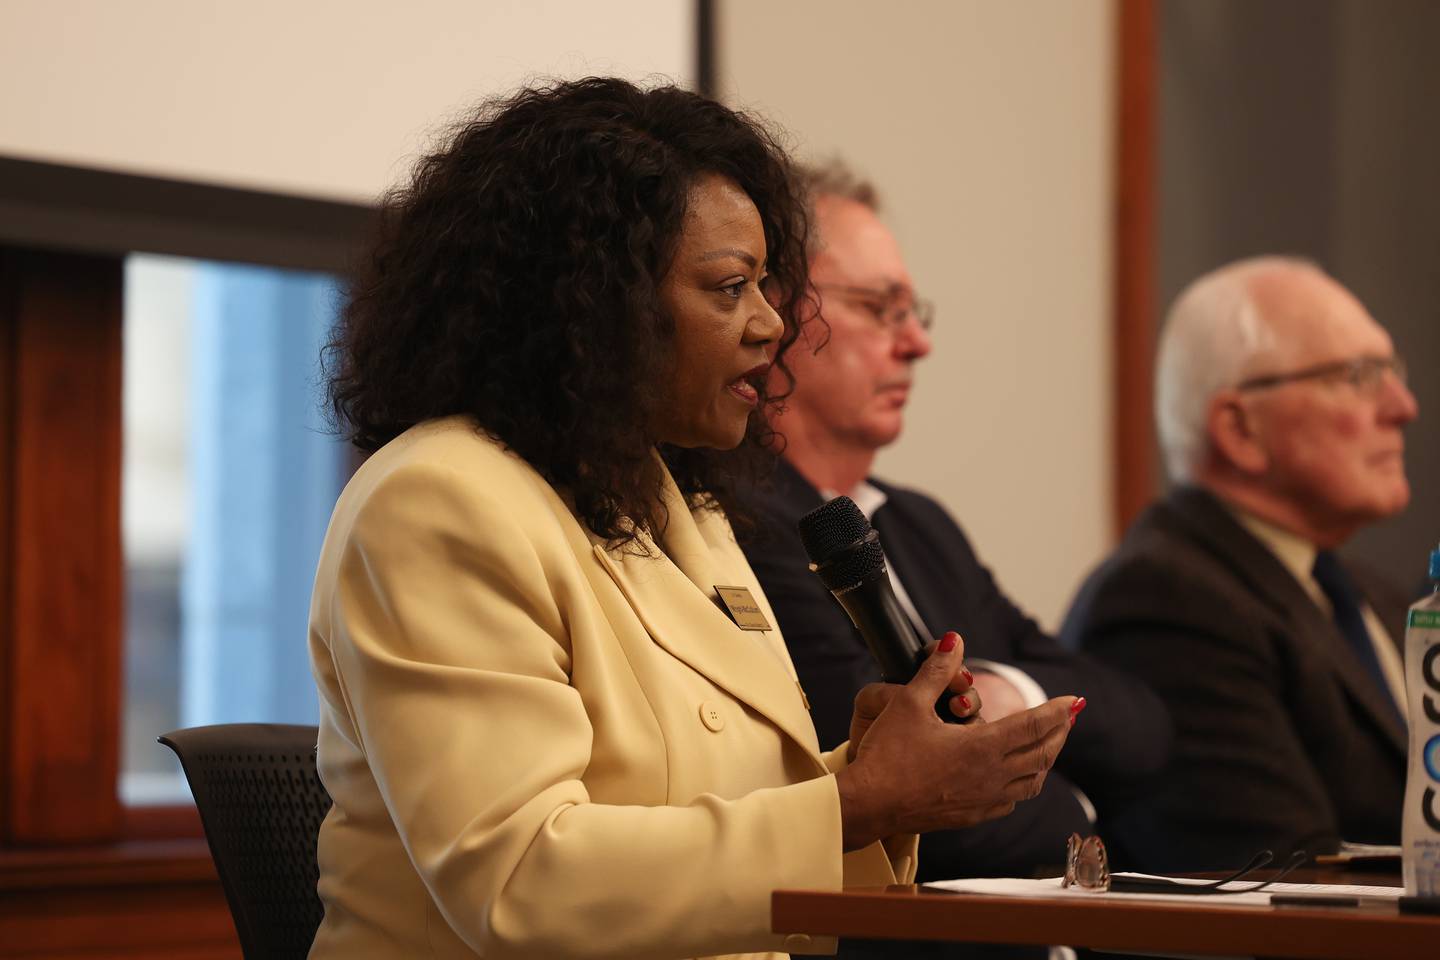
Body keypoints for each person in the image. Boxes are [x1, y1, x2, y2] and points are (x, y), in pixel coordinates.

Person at [306, 78, 1079, 960]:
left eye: (766, 285)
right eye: (729, 288)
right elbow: (521, 883)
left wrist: (866, 776)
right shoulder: (436, 502)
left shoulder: (680, 503)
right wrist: (864, 802)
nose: (771, 324)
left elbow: (699, 815)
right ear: (593, 303)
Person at [738, 163, 1172, 888]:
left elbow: (1141, 728)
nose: (917, 344)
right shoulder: (746, 525)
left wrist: (1006, 696)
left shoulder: (920, 525)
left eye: (914, 313)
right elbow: (910, 801)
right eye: (880, 307)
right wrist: (1076, 804)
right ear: (775, 314)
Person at [1060, 256, 1418, 872]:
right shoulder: (1166, 604)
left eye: (1393, 371)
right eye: (1359, 375)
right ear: (1238, 427)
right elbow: (1286, 885)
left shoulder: (1373, 597)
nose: (1402, 406)